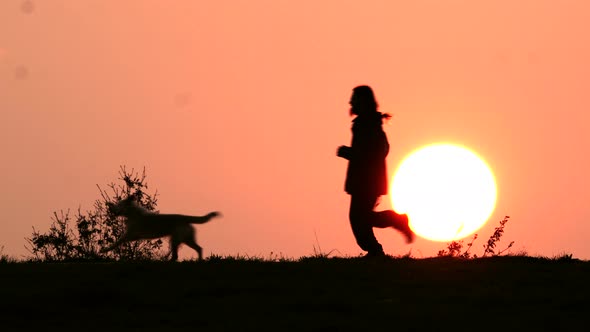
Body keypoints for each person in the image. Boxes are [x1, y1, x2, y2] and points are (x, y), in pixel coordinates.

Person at [337, 85, 415, 257]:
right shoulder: (365, 123)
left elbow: (376, 151)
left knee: (359, 219)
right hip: (362, 182)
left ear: (363, 101)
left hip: (368, 182)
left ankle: (382, 241)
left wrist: (348, 152)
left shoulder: (369, 124)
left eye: (354, 98)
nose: (351, 101)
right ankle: (375, 250)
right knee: (361, 218)